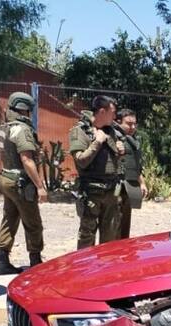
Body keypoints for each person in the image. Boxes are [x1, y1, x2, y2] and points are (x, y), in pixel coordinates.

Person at [0, 91, 47, 274]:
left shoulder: (4, 127)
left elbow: (1, 155)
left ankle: (2, 260)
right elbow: (27, 160)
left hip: (7, 178)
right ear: (26, 110)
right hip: (20, 182)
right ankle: (36, 260)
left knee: (9, 218)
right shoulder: (22, 129)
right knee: (32, 221)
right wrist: (40, 187)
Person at [69, 95, 123, 249]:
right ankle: (85, 269)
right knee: (87, 236)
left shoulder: (110, 131)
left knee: (111, 234)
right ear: (102, 111)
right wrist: (97, 142)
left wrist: (120, 152)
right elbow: (81, 161)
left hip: (111, 192)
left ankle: (106, 269)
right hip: (91, 192)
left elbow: (112, 163)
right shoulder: (80, 131)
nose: (115, 116)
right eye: (112, 112)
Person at [114, 108, 149, 239]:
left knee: (125, 225)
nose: (133, 127)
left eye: (134, 124)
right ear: (118, 122)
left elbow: (135, 164)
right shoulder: (113, 136)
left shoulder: (132, 139)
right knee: (113, 226)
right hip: (116, 187)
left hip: (129, 187)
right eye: (129, 123)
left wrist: (142, 183)